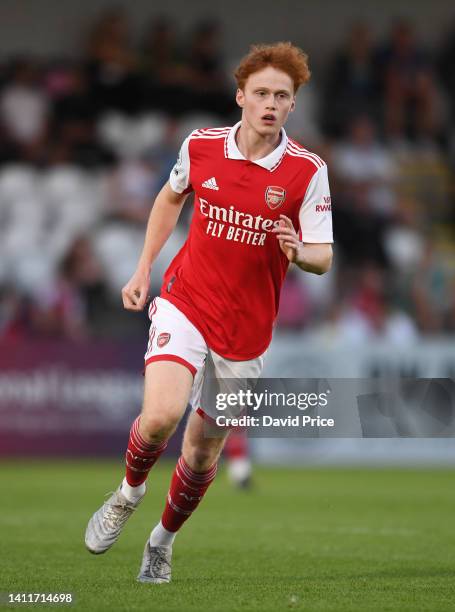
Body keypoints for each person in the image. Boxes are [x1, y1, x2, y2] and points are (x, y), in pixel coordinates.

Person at [85, 41, 333, 584]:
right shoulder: (201, 146)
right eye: (262, 92)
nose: (270, 103)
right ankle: (127, 495)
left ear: (293, 106)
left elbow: (323, 255)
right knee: (159, 417)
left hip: (246, 332)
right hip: (186, 300)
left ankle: (162, 540)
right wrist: (143, 267)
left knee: (200, 455)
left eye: (282, 96)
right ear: (240, 96)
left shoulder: (307, 172)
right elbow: (171, 197)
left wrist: (299, 252)